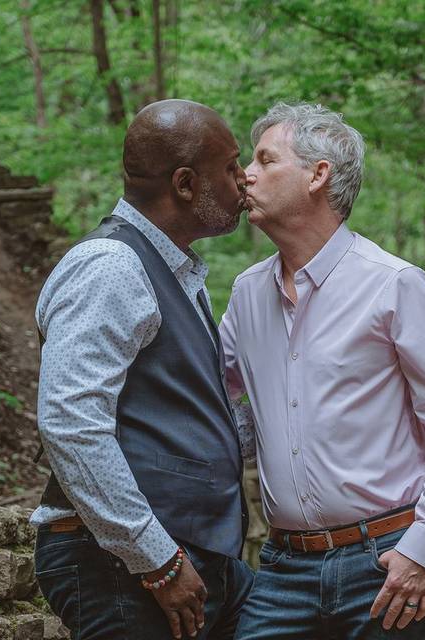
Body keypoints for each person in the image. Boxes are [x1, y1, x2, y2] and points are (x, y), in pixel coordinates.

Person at [220, 102, 425, 639]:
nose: (246, 173)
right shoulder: (246, 294)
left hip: (385, 563)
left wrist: (423, 551)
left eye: (266, 160)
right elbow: (206, 395)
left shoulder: (394, 284)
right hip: (283, 568)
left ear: (318, 175)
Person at [32, 99, 255, 640]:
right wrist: (157, 560)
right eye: (230, 166)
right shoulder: (112, 267)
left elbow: (182, 422)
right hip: (122, 567)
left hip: (185, 558)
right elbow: (70, 421)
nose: (244, 179)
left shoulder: (177, 273)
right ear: (184, 184)